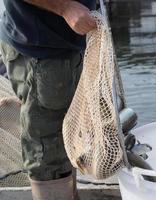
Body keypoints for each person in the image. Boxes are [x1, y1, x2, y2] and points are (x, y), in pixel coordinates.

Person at [0, 0, 96, 199]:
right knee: (46, 146)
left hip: (65, 43)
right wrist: (66, 8)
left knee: (68, 133)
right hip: (41, 50)